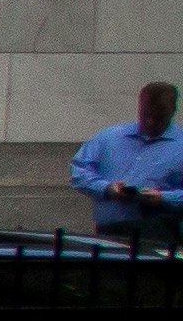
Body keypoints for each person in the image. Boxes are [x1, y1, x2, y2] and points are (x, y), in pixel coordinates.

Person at [74, 80, 183, 250]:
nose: (150, 122)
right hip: (109, 232)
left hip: (159, 233)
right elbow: (79, 172)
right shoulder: (109, 138)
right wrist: (107, 188)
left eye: (159, 117)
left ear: (173, 111)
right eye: (145, 115)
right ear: (139, 107)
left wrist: (162, 198)